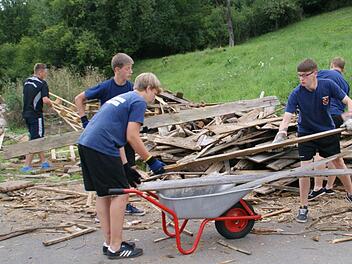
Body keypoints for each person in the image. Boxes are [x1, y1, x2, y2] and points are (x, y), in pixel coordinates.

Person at [77, 72, 165, 259]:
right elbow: (132, 136)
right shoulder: (138, 102)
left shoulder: (123, 97)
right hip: (101, 146)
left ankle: (109, 242)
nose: (153, 99)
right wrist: (151, 160)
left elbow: (117, 138)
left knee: (104, 193)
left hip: (87, 143)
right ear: (148, 88)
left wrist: (125, 166)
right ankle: (116, 248)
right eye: (154, 94)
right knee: (120, 195)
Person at [273, 58, 352, 223]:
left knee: (338, 162)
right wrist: (281, 132)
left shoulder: (327, 85)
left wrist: (349, 117)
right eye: (299, 76)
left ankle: (350, 194)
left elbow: (348, 101)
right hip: (306, 134)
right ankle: (303, 207)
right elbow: (288, 115)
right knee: (305, 170)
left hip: (326, 131)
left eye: (305, 75)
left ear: (314, 73)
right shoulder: (297, 93)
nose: (301, 79)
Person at [75, 53, 144, 216]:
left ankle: (126, 204)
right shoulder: (105, 87)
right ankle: (112, 207)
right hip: (108, 140)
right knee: (113, 175)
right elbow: (79, 99)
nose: (130, 72)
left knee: (129, 169)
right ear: (117, 69)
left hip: (124, 136)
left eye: (131, 69)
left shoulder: (131, 88)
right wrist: (85, 121)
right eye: (128, 69)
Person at [308, 57, 350, 200]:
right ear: (343, 69)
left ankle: (318, 187)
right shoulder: (345, 83)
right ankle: (329, 187)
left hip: (323, 115)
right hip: (337, 117)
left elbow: (309, 85)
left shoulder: (324, 73)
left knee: (319, 152)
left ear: (332, 64)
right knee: (333, 152)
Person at [21, 63, 53, 173]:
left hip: (26, 113)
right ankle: (26, 165)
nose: (46, 74)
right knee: (36, 140)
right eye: (45, 72)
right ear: (40, 72)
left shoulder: (27, 81)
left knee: (36, 136)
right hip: (36, 114)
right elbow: (45, 100)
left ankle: (44, 162)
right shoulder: (42, 84)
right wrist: (52, 104)